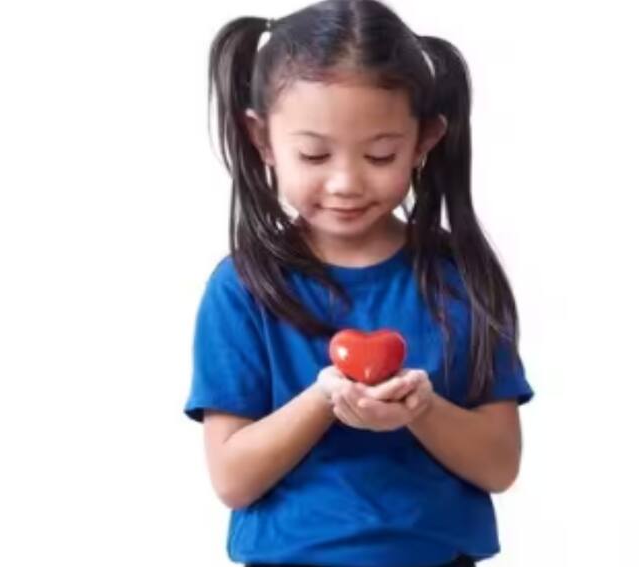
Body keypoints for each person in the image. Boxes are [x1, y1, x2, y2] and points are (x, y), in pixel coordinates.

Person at [183, 1, 533, 565]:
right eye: (314, 154)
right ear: (262, 139)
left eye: (379, 154)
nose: (345, 182)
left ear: (423, 142)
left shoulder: (460, 277)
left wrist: (422, 408)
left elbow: (499, 465)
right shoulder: (243, 288)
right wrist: (325, 397)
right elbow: (232, 478)